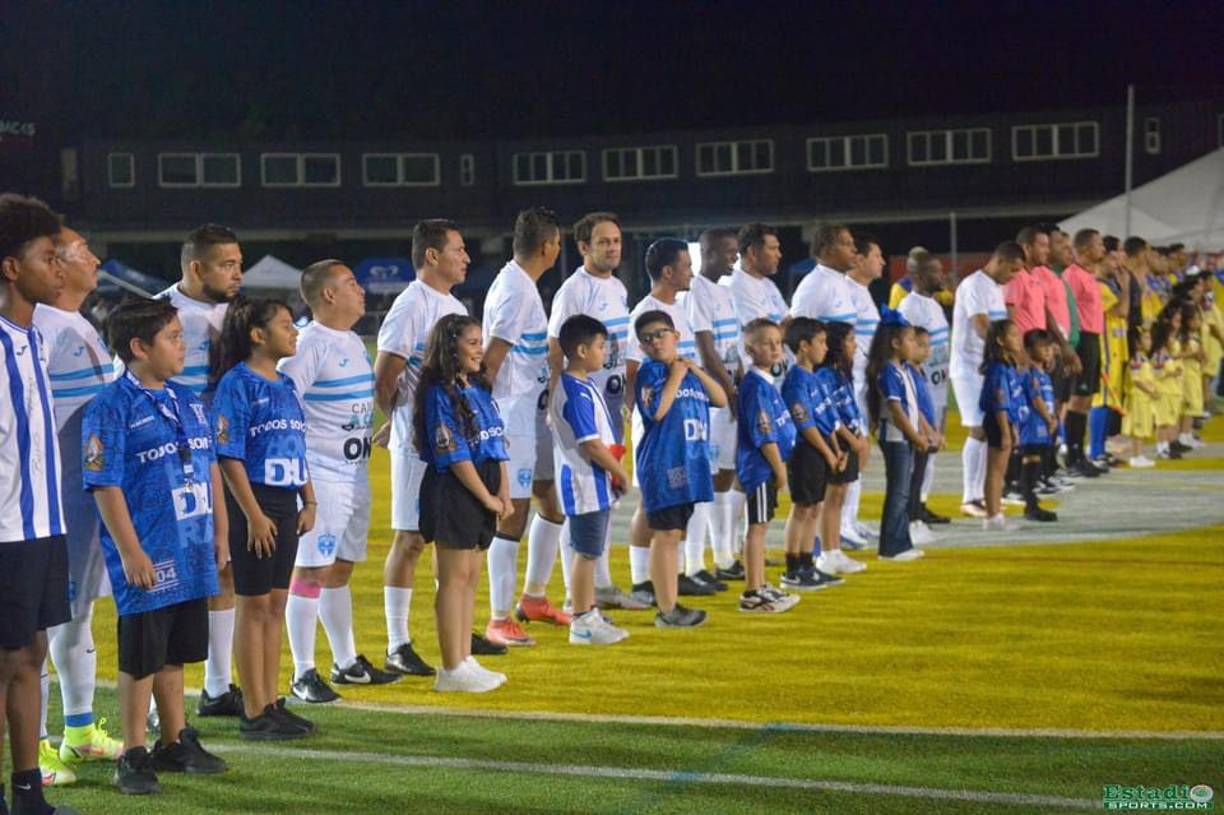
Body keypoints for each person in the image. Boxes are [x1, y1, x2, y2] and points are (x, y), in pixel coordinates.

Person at [83, 298, 229, 794]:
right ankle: (132, 752)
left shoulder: (188, 400)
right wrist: (130, 551)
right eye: (172, 337)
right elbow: (105, 483)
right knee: (141, 654)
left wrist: (221, 534)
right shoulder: (110, 407)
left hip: (193, 546)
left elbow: (210, 468)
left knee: (177, 651)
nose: (182, 345)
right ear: (139, 347)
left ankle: (174, 740)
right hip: (150, 551)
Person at [375, 219, 502, 668]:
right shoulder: (411, 304)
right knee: (410, 538)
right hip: (419, 445)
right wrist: (400, 423)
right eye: (459, 249)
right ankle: (397, 643)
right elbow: (386, 375)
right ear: (432, 255)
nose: (466, 257)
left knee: (452, 536)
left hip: (452, 441)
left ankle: (456, 628)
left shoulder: (448, 303)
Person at [280, 260, 399, 705]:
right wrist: (303, 481)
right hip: (322, 473)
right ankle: (302, 670)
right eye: (350, 283)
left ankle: (346, 661)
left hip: (355, 471)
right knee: (310, 569)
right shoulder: (308, 344)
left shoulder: (349, 339)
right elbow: (285, 411)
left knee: (341, 566)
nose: (361, 289)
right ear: (327, 295)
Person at [32, 228, 121, 786]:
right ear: (54, 267)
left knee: (77, 613)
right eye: (81, 250)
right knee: (33, 625)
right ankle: (32, 744)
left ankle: (80, 731)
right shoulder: (41, 329)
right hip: (52, 502)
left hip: (83, 500)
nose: (95, 257)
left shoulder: (76, 324)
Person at [0, 193, 79, 815]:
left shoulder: (33, 339)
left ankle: (27, 791)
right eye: (48, 257)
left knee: (32, 652)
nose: (60, 268)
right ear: (10, 267)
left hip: (41, 526)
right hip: (3, 532)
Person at [211, 298, 316, 739]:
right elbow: (228, 453)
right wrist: (252, 513)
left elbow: (296, 445)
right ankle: (253, 710)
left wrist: (308, 499)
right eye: (286, 325)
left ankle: (271, 701)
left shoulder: (287, 384)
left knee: (275, 605)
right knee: (253, 607)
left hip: (285, 504)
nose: (294, 332)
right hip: (252, 503)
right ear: (257, 334)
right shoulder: (236, 384)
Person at [157, 224, 245, 718]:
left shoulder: (238, 313)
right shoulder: (159, 315)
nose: (237, 274)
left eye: (238, 263)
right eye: (226, 265)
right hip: (171, 469)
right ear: (196, 268)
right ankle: (158, 703)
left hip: (220, 463)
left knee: (222, 567)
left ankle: (216, 687)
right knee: (173, 578)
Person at [543, 212, 642, 612]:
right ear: (583, 247)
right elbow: (556, 347)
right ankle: (576, 594)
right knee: (583, 500)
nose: (612, 248)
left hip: (610, 403)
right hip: (585, 405)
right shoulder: (573, 291)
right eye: (603, 242)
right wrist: (557, 402)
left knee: (603, 498)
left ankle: (599, 585)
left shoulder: (617, 287)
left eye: (616, 241)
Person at [482, 208, 564, 647]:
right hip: (510, 422)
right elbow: (492, 360)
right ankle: (498, 618)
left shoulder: (518, 284)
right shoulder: (517, 291)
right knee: (509, 518)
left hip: (527, 418)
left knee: (548, 503)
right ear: (549, 246)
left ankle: (532, 599)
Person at [416, 315, 512, 692]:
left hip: (483, 484)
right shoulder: (439, 392)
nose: (480, 349)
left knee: (470, 576)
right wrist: (486, 495)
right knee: (453, 579)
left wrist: (502, 491)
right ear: (450, 347)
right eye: (472, 342)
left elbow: (496, 440)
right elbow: (453, 452)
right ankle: (451, 666)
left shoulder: (477, 387)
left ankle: (464, 658)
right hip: (456, 488)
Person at [625, 239, 708, 604]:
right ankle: (641, 578)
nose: (692, 271)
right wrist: (638, 421)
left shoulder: (681, 308)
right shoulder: (646, 312)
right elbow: (632, 371)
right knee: (651, 501)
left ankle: (670, 575)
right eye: (687, 265)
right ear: (668, 272)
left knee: (677, 497)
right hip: (656, 421)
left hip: (683, 419)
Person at [632, 309, 727, 627]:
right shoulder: (651, 373)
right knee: (666, 534)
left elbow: (721, 399)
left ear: (676, 336)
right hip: (663, 464)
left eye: (660, 333)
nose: (654, 341)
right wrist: (675, 374)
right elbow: (657, 410)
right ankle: (667, 609)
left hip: (690, 463)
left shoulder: (686, 371)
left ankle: (671, 603)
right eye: (647, 339)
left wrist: (694, 370)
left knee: (675, 533)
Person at [549, 315, 631, 645]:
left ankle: (587, 611)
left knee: (590, 551)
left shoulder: (582, 384)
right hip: (585, 481)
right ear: (582, 350)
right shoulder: (575, 390)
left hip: (591, 480)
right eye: (600, 346)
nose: (604, 353)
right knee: (586, 552)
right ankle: (582, 621)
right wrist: (619, 470)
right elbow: (590, 443)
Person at [791, 225, 869, 549]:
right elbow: (799, 337)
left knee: (851, 468)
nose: (854, 250)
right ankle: (820, 547)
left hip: (847, 387)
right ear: (825, 248)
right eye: (846, 244)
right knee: (830, 476)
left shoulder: (841, 283)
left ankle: (841, 531)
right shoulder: (815, 286)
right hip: (826, 398)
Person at [680, 227, 745, 583]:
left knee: (725, 474)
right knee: (709, 477)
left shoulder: (724, 292)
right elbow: (707, 351)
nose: (735, 257)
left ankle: (723, 555)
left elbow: (732, 346)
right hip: (713, 399)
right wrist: (731, 393)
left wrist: (743, 383)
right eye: (729, 251)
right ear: (710, 254)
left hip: (730, 392)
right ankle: (695, 563)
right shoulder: (696, 293)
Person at [949, 242, 1023, 518]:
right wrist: (1006, 351)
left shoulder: (995, 288)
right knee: (978, 429)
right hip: (969, 368)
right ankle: (970, 496)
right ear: (1000, 261)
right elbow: (982, 327)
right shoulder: (974, 285)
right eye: (1012, 270)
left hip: (987, 368)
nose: (1012, 277)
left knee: (988, 430)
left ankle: (982, 494)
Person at [735, 319, 799, 612]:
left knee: (762, 525)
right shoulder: (755, 386)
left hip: (766, 467)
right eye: (766, 343)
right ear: (750, 349)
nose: (774, 348)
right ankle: (752, 590)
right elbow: (764, 433)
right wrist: (780, 469)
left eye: (777, 342)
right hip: (761, 468)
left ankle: (760, 584)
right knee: (757, 528)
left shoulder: (766, 382)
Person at [780, 318, 845, 591]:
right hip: (806, 450)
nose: (825, 347)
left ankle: (808, 562)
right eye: (820, 342)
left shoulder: (814, 378)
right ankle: (793, 568)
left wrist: (837, 448)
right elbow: (804, 422)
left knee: (815, 507)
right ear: (804, 346)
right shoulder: (796, 380)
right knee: (802, 508)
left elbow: (826, 416)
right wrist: (827, 453)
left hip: (822, 448)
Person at [866, 311, 926, 561]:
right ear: (895, 343)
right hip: (896, 438)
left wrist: (926, 430)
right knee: (898, 492)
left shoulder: (904, 370)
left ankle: (902, 542)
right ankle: (891, 547)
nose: (915, 345)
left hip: (904, 438)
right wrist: (915, 436)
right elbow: (896, 411)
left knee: (903, 491)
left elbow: (914, 407)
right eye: (911, 340)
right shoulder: (888, 372)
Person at [898, 251, 951, 527]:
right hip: (923, 392)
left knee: (930, 452)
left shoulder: (934, 305)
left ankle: (920, 502)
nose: (942, 276)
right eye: (935, 272)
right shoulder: (911, 308)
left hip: (939, 389)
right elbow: (907, 354)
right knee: (917, 453)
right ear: (918, 277)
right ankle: (909, 508)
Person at [814, 322, 870, 577]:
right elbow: (829, 413)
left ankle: (834, 550)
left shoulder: (841, 372)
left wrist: (860, 434)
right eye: (849, 340)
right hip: (838, 441)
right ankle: (827, 552)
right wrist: (849, 439)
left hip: (850, 439)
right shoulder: (825, 375)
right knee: (831, 498)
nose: (854, 344)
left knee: (839, 497)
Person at [1062, 229, 1107, 475]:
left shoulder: (1090, 275)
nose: (1103, 249)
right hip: (1082, 340)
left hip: (1094, 338)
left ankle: (1080, 454)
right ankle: (1073, 456)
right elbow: (1068, 311)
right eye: (1099, 245)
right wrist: (1072, 346)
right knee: (1077, 400)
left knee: (1087, 399)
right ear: (1087, 249)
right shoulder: (1072, 275)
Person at [979, 319, 1025, 532]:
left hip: (1006, 420)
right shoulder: (998, 368)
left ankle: (996, 512)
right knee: (995, 471)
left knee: (1001, 470)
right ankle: (992, 515)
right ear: (1000, 340)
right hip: (998, 421)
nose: (1019, 339)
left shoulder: (1009, 364)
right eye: (1013, 335)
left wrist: (1013, 427)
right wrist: (1006, 432)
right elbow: (1000, 403)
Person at [903, 327, 944, 545]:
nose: (927, 350)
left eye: (928, 345)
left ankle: (917, 520)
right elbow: (915, 408)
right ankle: (911, 522)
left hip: (926, 432)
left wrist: (935, 431)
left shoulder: (920, 372)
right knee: (913, 478)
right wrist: (928, 431)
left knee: (919, 477)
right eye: (920, 345)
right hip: (917, 433)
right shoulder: (908, 372)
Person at [1018, 331, 1059, 522]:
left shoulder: (1044, 374)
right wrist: (1048, 418)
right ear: (1028, 350)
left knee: (1038, 463)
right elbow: (1036, 399)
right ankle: (1030, 505)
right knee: (1031, 462)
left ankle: (1033, 503)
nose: (1048, 351)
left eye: (1049, 347)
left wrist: (1053, 418)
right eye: (1042, 347)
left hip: (1043, 424)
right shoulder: (1030, 374)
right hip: (1033, 425)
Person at [1121, 327, 1158, 468]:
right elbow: (1136, 380)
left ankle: (1140, 454)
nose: (1150, 341)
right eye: (1146, 338)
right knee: (1138, 428)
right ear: (1137, 343)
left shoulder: (1144, 358)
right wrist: (1150, 391)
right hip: (1138, 399)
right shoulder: (1137, 358)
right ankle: (1136, 456)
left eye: (1150, 338)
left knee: (1143, 427)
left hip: (1144, 400)